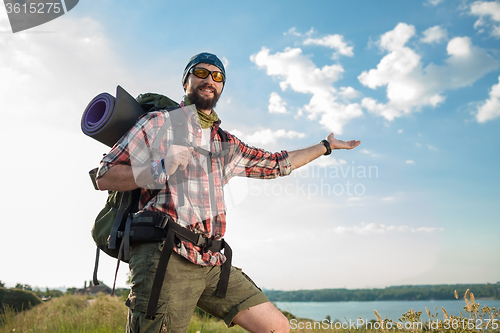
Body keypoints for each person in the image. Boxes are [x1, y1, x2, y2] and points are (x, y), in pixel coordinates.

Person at [96, 52, 360, 333]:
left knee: (277, 327)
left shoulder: (227, 143)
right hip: (166, 255)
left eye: (217, 76)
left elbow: (277, 163)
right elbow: (105, 175)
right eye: (201, 72)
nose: (209, 79)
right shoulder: (158, 123)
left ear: (221, 87)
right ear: (186, 81)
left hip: (211, 259)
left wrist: (325, 146)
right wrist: (160, 166)